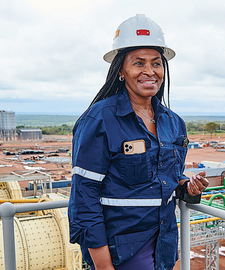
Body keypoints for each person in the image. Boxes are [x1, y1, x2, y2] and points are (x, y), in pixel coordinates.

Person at [69, 14, 209, 270]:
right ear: (121, 70)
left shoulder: (173, 123)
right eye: (138, 63)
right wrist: (103, 266)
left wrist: (186, 186)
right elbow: (83, 199)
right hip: (120, 251)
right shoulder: (99, 119)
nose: (149, 71)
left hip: (163, 245)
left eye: (156, 63)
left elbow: (164, 178)